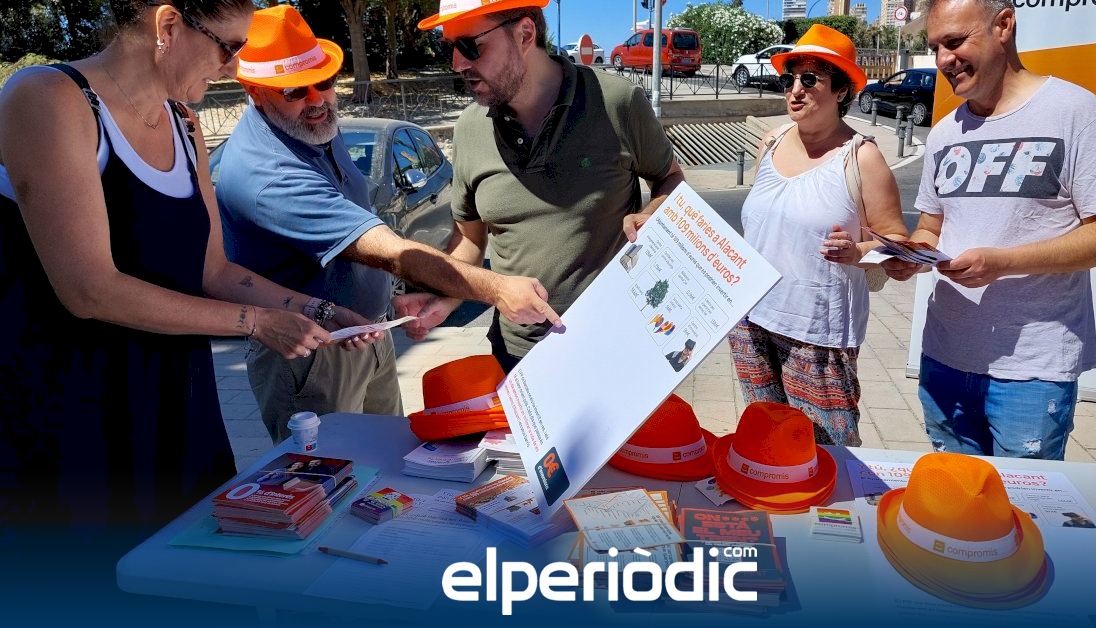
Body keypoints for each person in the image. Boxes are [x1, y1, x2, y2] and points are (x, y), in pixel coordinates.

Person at [0, 0, 380, 619]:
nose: (234, 67)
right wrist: (258, 323)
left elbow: (214, 271)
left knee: (196, 585)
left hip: (177, 403)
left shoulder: (184, 123)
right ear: (168, 26)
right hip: (70, 415)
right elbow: (89, 289)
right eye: (229, 46)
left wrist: (318, 309)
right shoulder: (47, 98)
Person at [217, 5, 560, 442]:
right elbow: (388, 250)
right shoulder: (268, 175)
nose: (317, 100)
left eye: (324, 82)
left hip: (364, 332)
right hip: (312, 351)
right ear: (254, 90)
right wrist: (496, 288)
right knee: (332, 473)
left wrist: (404, 298)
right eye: (294, 90)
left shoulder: (309, 126)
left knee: (390, 459)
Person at [882, 0, 1096, 460]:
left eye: (954, 42)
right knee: (954, 497)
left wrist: (1004, 263)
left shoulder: (1075, 112)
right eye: (936, 47)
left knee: (1022, 502)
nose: (943, 60)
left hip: (1032, 371)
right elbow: (932, 229)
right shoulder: (945, 132)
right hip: (944, 356)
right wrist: (909, 256)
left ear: (1003, 25)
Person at [412, 0, 686, 371]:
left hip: (618, 349)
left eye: (470, 46)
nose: (457, 64)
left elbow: (670, 177)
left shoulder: (617, 102)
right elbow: (471, 241)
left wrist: (654, 212)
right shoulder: (469, 129)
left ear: (525, 34)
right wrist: (444, 296)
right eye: (449, 48)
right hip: (515, 357)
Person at [729, 25, 908, 447]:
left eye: (809, 79)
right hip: (750, 322)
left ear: (842, 90)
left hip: (818, 335)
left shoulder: (862, 157)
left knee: (826, 452)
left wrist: (859, 251)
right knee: (768, 447)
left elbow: (899, 243)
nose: (795, 90)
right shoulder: (771, 142)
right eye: (789, 79)